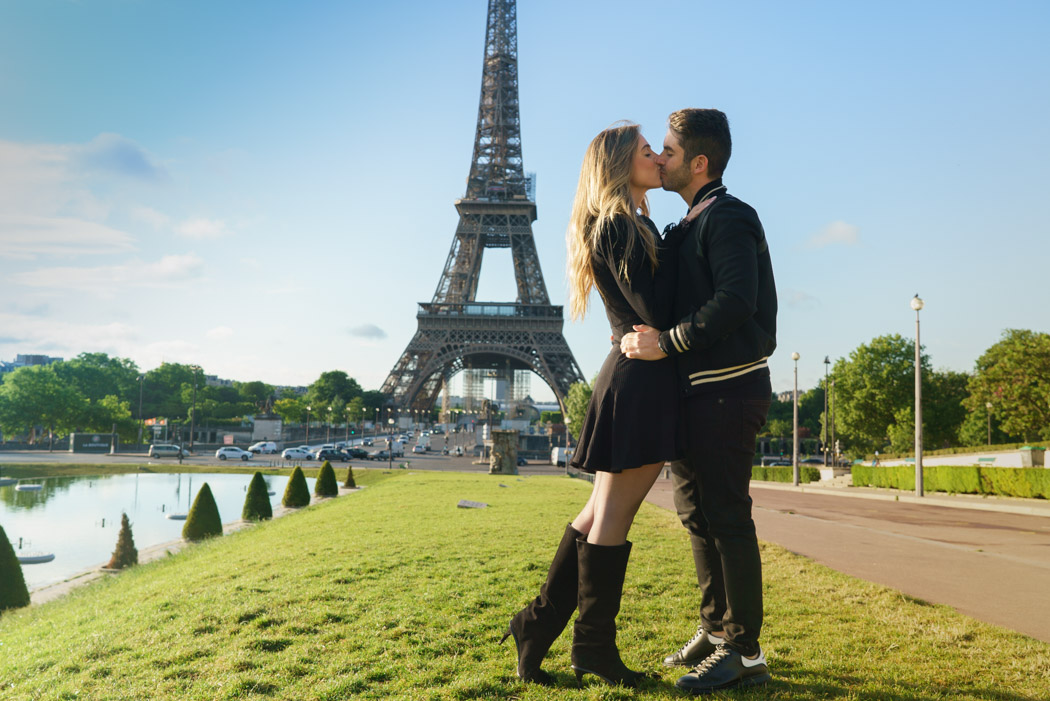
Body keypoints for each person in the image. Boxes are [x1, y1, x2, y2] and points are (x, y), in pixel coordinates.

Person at [501, 122, 711, 688]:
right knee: (613, 518)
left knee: (598, 514)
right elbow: (653, 308)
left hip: (635, 380)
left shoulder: (626, 222)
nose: (658, 157)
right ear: (621, 165)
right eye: (648, 151)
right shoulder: (621, 226)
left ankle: (537, 626)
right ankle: (591, 647)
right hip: (640, 384)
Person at [621, 108, 778, 694]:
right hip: (695, 393)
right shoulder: (689, 223)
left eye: (667, 150)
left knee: (728, 517)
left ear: (699, 162)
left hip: (728, 388)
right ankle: (716, 631)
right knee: (697, 517)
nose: (659, 158)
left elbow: (738, 300)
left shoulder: (730, 217)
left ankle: (747, 651)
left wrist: (668, 342)